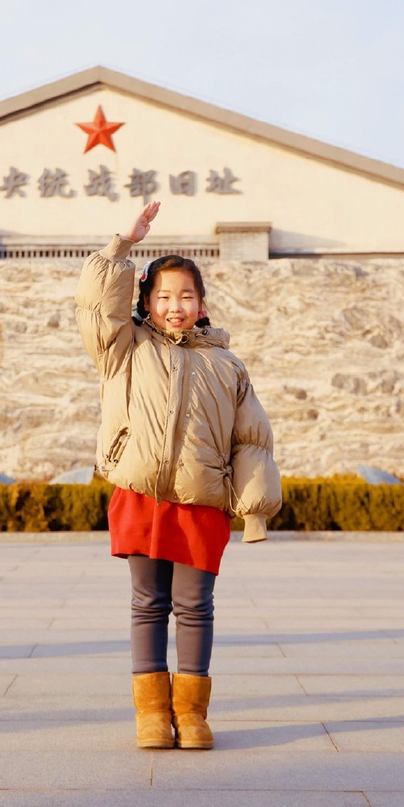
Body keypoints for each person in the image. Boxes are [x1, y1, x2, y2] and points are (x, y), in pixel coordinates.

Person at [75, 201, 282, 750]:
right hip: (141, 495)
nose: (175, 306)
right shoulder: (124, 349)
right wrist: (122, 243)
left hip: (201, 501)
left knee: (195, 607)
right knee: (148, 604)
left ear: (202, 304)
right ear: (145, 302)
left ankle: (191, 715)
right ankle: (150, 715)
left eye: (186, 296)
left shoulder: (227, 365)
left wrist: (255, 510)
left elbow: (251, 440)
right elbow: (96, 303)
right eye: (163, 297)